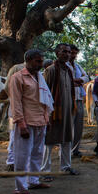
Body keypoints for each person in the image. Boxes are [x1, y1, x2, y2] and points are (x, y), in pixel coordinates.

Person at [9, 49, 54, 194]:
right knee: (22, 155)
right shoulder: (17, 78)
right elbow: (16, 103)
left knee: (37, 153)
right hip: (26, 123)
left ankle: (34, 180)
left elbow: (45, 101)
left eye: (41, 61)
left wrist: (46, 119)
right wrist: (21, 124)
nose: (41, 65)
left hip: (40, 121)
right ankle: (20, 187)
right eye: (38, 61)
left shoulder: (39, 77)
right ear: (28, 60)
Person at [40, 44, 79, 180]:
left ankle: (66, 167)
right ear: (57, 53)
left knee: (67, 139)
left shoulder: (68, 70)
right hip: (54, 112)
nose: (67, 54)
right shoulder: (50, 70)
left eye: (69, 52)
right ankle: (45, 171)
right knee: (49, 141)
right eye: (64, 52)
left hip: (67, 111)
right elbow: (45, 93)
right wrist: (46, 113)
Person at [67, 44, 90, 157]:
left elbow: (86, 77)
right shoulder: (63, 66)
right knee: (68, 126)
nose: (73, 55)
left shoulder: (78, 66)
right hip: (67, 99)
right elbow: (66, 81)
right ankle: (67, 151)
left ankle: (75, 149)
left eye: (75, 53)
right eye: (72, 53)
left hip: (79, 98)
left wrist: (78, 80)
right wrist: (74, 82)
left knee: (78, 126)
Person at [4, 62, 26, 172]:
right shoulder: (17, 70)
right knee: (14, 136)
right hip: (16, 110)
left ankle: (13, 161)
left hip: (24, 110)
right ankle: (11, 161)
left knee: (15, 136)